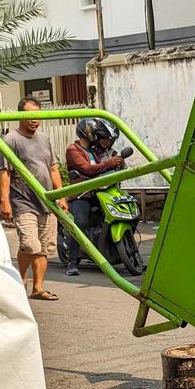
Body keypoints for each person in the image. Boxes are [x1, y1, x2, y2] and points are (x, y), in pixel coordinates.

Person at [0, 97, 67, 301]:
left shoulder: (44, 139)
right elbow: (4, 172)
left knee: (44, 248)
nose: (34, 120)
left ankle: (38, 288)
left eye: (37, 116)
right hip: (23, 200)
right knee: (30, 245)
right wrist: (5, 201)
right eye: (29, 116)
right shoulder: (11, 140)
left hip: (46, 201)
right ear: (20, 115)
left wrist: (60, 196)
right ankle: (20, 278)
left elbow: (53, 168)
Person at [63, 118, 125, 276]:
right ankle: (71, 262)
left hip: (96, 192)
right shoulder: (73, 150)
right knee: (80, 223)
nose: (96, 135)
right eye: (94, 132)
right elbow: (87, 169)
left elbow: (101, 166)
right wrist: (109, 164)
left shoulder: (92, 150)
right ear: (86, 132)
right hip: (81, 195)